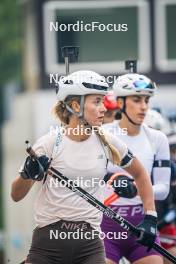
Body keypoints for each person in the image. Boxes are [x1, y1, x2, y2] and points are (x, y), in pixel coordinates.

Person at [11, 70, 157, 264]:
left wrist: (150, 217)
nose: (104, 108)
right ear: (75, 106)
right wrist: (27, 174)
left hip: (90, 246)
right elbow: (16, 195)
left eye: (103, 101)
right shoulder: (48, 144)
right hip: (47, 245)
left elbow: (140, 173)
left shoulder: (108, 142)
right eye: (97, 102)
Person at [101, 73, 171, 264]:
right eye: (137, 99)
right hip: (105, 227)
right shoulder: (104, 134)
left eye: (147, 100)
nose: (144, 106)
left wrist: (134, 189)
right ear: (121, 102)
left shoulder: (157, 138)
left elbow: (163, 190)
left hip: (142, 223)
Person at [145, 110, 176, 264]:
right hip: (130, 226)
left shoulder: (170, 166)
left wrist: (162, 222)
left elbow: (173, 205)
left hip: (163, 227)